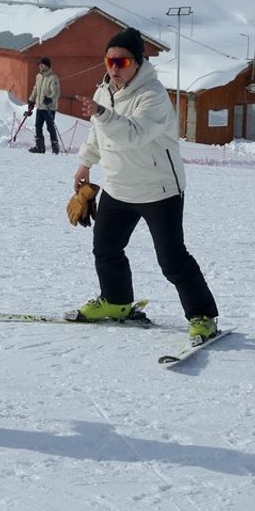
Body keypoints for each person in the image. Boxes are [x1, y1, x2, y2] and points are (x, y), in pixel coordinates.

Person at [71, 28, 219, 344]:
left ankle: (203, 316)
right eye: (109, 60)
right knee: (106, 248)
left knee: (172, 260)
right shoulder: (104, 91)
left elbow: (133, 134)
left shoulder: (153, 96)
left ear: (137, 63)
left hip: (158, 190)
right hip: (118, 186)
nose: (114, 67)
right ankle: (116, 301)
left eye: (122, 61)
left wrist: (101, 113)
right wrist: (85, 163)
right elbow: (98, 135)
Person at [26, 57, 61, 154]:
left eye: (42, 64)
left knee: (50, 127)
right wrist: (31, 100)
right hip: (40, 106)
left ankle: (55, 147)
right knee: (38, 125)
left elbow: (56, 92)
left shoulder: (53, 77)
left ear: (47, 66)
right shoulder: (39, 76)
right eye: (39, 64)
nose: (40, 66)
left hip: (49, 107)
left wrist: (50, 98)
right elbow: (35, 89)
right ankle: (40, 147)